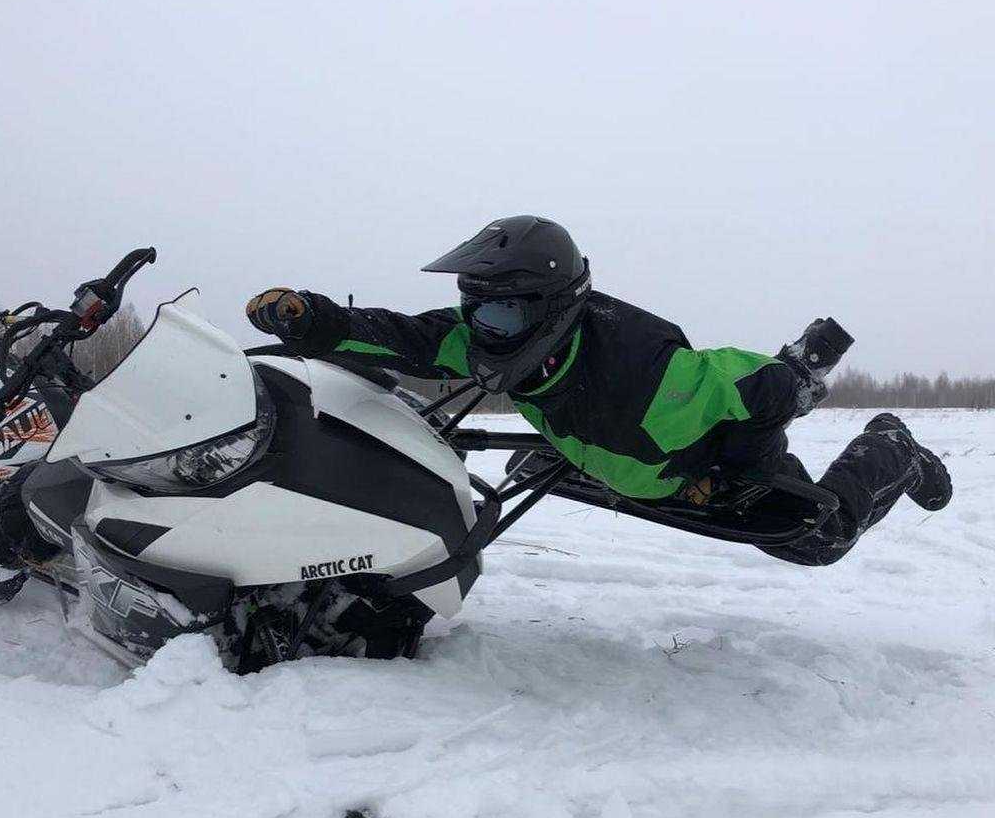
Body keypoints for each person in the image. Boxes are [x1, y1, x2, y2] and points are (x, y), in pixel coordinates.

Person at [246, 216, 951, 566]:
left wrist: (781, 404)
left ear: (550, 308)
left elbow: (759, 387)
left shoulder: (654, 375)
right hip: (609, 455)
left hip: (708, 465)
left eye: (500, 310)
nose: (480, 328)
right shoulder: (481, 339)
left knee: (821, 541)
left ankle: (894, 444)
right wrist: (313, 320)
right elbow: (396, 335)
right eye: (474, 306)